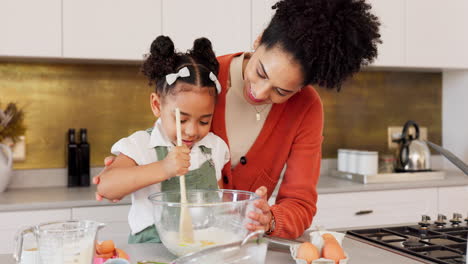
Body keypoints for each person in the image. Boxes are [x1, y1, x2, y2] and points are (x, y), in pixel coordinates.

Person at [95, 0, 381, 239]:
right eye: (261, 72)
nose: (260, 92)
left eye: (282, 91)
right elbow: (153, 139)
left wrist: (269, 219)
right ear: (258, 41)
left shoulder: (306, 108)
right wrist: (135, 168)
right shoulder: (201, 79)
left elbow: (300, 204)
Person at [96, 35, 230, 243]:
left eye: (204, 121)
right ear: (157, 105)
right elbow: (106, 186)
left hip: (202, 248)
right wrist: (165, 168)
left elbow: (219, 197)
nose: (192, 131)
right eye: (182, 119)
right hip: (151, 252)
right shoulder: (142, 145)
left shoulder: (214, 147)